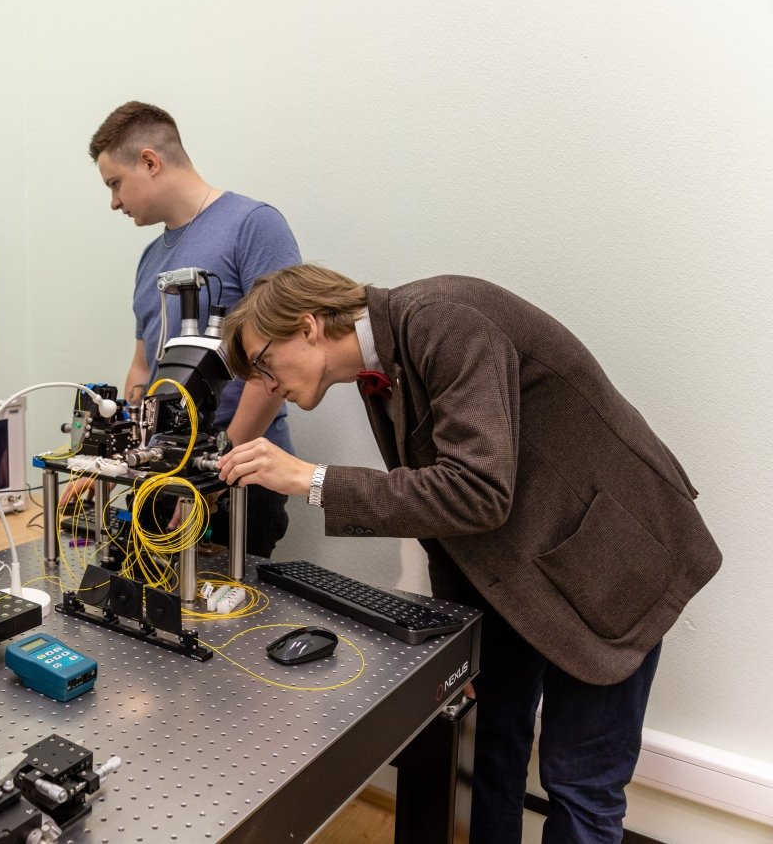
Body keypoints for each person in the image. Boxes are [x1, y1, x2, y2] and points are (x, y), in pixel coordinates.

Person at [216, 264, 721, 844]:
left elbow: (477, 491)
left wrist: (315, 480)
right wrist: (461, 639)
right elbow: (437, 507)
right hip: (516, 569)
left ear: (307, 326)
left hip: (609, 560)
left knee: (581, 786)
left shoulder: (444, 320)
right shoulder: (383, 369)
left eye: (262, 362)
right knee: (486, 754)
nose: (265, 383)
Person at [85, 100, 303, 557]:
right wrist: (107, 458)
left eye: (115, 184)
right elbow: (144, 364)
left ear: (150, 161)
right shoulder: (150, 258)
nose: (114, 203)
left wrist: (214, 477)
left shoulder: (253, 226)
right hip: (164, 472)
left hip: (239, 474)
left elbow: (280, 363)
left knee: (226, 615)